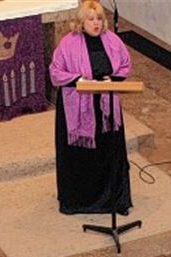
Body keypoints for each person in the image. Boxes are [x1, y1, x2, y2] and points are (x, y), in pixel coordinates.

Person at [50, 0, 133, 216]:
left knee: (109, 152)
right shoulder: (68, 43)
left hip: (106, 107)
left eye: (99, 19)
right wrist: (79, 79)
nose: (96, 23)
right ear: (81, 22)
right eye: (91, 19)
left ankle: (114, 200)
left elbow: (125, 65)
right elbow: (55, 72)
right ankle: (79, 202)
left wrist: (113, 78)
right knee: (81, 157)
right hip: (77, 106)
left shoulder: (112, 40)